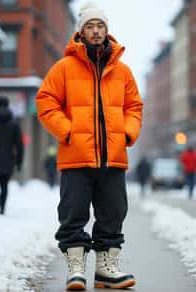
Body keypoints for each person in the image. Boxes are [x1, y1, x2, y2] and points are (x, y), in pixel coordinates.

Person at [36, 2, 143, 290]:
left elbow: (134, 106)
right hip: (76, 158)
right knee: (73, 214)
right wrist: (67, 130)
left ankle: (107, 270)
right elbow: (45, 102)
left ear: (107, 30)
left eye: (100, 26)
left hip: (113, 158)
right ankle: (75, 269)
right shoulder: (64, 68)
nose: (95, 31)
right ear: (81, 32)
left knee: (113, 213)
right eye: (90, 26)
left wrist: (127, 134)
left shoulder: (123, 71)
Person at [0, 96, 24, 215]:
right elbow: (19, 145)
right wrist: (19, 162)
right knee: (4, 185)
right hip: (7, 161)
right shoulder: (14, 124)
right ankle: (2, 208)